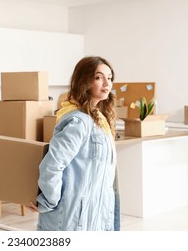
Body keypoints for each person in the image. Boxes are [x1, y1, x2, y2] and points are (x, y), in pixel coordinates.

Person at [28, 56, 120, 231]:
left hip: (93, 214)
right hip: (72, 216)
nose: (106, 83)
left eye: (109, 78)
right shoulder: (79, 121)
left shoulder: (99, 119)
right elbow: (53, 165)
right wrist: (48, 201)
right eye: (99, 77)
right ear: (84, 81)